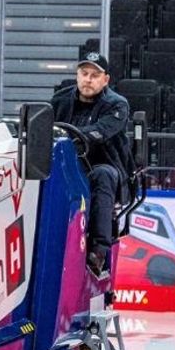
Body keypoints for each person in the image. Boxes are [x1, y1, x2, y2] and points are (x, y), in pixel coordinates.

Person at [50, 52, 136, 277]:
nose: (88, 79)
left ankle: (98, 250)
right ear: (77, 75)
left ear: (105, 80)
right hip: (65, 166)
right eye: (84, 74)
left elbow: (100, 132)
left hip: (102, 166)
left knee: (103, 174)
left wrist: (67, 136)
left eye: (95, 75)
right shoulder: (59, 100)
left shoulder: (117, 105)